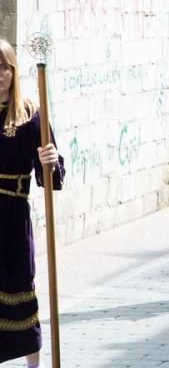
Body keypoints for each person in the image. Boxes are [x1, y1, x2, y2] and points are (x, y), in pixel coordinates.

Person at [0, 39, 63, 368]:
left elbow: (49, 176)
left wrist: (50, 160)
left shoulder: (29, 114)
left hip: (11, 216)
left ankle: (33, 365)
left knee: (20, 285)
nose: (0, 74)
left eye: (5, 67)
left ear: (13, 71)